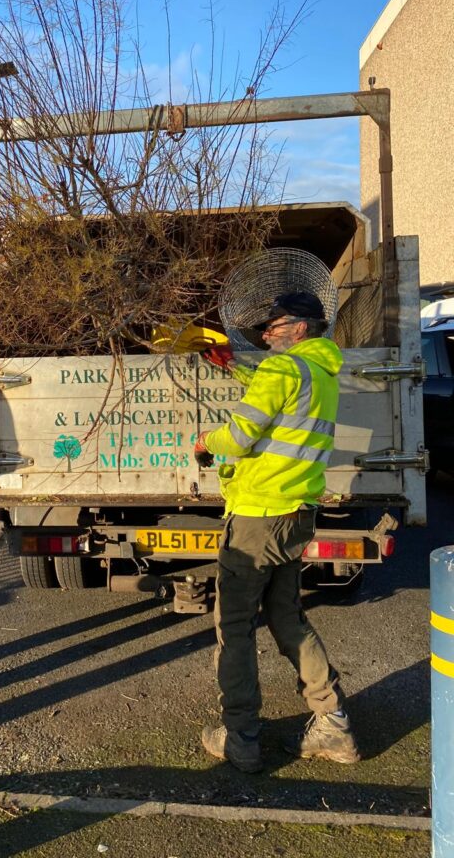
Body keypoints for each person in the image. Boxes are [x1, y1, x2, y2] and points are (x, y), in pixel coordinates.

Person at [194, 291, 359, 773]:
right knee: (288, 619)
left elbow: (240, 437)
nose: (264, 335)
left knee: (235, 627)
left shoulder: (283, 369)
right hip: (295, 515)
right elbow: (280, 395)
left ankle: (240, 736)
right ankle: (334, 723)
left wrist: (206, 442)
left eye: (274, 326)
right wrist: (233, 365)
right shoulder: (320, 371)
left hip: (256, 517)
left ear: (301, 328)